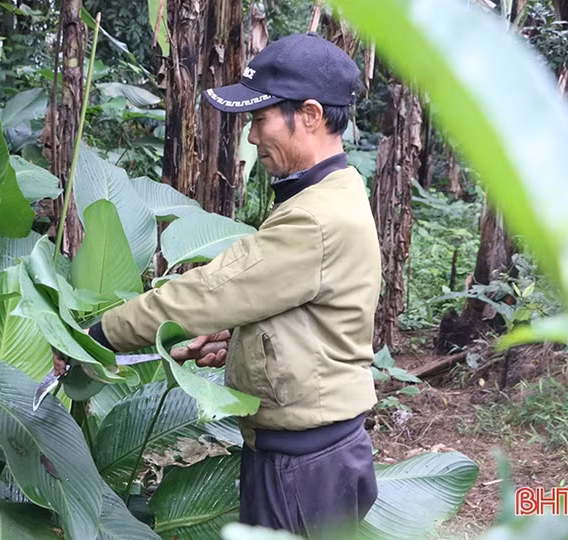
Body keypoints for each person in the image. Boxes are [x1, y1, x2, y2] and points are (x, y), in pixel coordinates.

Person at [87, 32, 381, 536]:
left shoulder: (312, 218)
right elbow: (304, 308)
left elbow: (209, 292)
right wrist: (243, 340)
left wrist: (97, 336)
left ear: (309, 115)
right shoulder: (335, 192)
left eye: (260, 119)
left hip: (301, 467)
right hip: (316, 454)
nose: (250, 138)